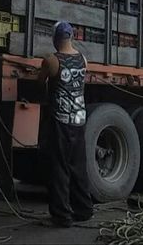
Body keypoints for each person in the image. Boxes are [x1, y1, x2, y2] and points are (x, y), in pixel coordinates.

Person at [37, 21, 93, 228]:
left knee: (59, 167)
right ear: (72, 37)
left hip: (60, 121)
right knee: (78, 165)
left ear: (55, 38)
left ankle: (62, 216)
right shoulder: (83, 59)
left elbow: (40, 82)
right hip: (79, 119)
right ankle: (84, 210)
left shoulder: (51, 61)